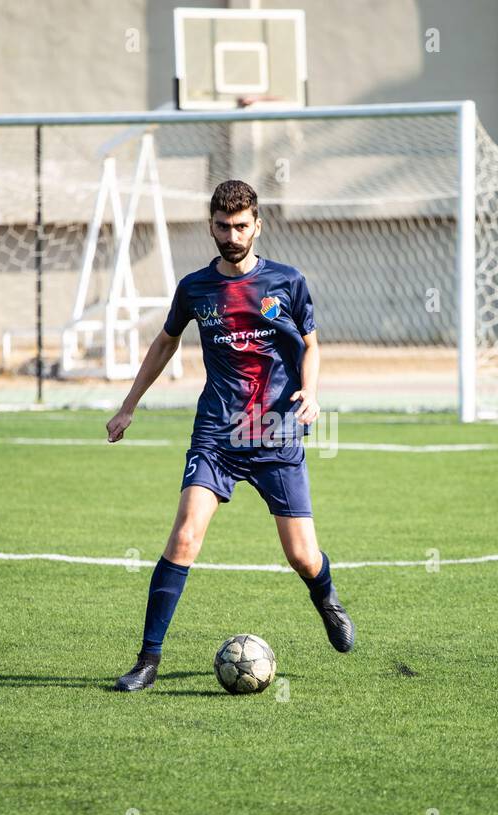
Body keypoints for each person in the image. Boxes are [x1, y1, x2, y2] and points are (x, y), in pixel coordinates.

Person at [106, 180, 355, 692]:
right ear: (211, 226)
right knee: (184, 535)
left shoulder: (287, 282)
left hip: (276, 433)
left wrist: (310, 390)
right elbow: (164, 344)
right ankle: (147, 661)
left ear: (258, 225)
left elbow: (311, 345)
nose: (233, 235)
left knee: (303, 555)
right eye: (223, 226)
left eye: (242, 226)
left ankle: (326, 598)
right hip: (217, 434)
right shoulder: (196, 288)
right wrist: (128, 405)